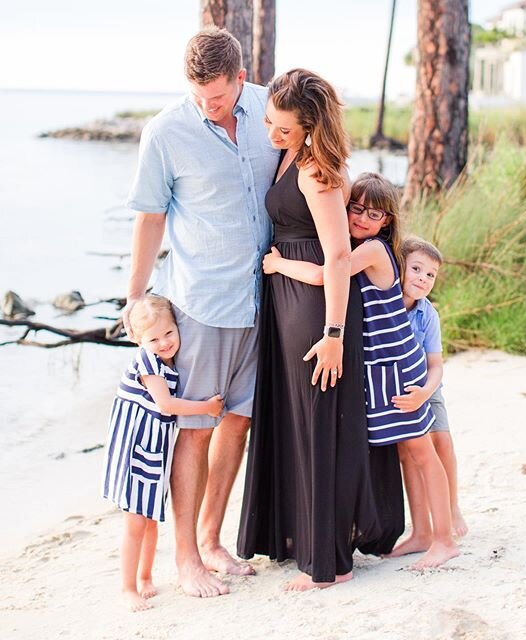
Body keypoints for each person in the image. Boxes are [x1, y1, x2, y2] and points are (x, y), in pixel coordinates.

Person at [123, 27, 280, 597]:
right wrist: (136, 295)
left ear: (241, 77)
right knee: (194, 429)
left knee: (237, 420)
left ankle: (212, 539)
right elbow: (149, 216)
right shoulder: (165, 131)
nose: (208, 106)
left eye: (217, 95)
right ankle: (185, 558)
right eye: (198, 95)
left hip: (264, 303)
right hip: (202, 305)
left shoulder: (271, 107)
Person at [261, 172, 459, 569]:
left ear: (387, 221)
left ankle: (445, 539)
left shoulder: (373, 250)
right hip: (379, 365)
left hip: (397, 365)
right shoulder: (365, 246)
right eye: (356, 208)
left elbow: (324, 274)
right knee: (408, 452)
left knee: (420, 452)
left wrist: (278, 264)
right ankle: (421, 533)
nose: (363, 218)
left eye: (375, 213)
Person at [237, 70, 386, 592]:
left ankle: (331, 564)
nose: (271, 133)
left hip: (317, 313)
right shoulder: (290, 153)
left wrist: (335, 333)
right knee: (296, 423)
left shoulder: (318, 171)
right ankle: (302, 536)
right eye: (270, 123)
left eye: (282, 128)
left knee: (319, 426)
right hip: (288, 305)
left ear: (309, 126)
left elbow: (340, 256)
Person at [102, 295, 224, 611]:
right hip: (134, 449)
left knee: (151, 521)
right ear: (139, 340)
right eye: (154, 338)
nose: (164, 342)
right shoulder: (146, 361)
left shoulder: (167, 362)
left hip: (154, 451)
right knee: (135, 522)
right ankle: (127, 587)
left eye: (168, 333)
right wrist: (206, 408)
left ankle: (144, 578)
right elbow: (166, 405)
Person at [388, 236, 468, 565]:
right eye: (417, 269)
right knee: (409, 455)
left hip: (427, 386)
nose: (423, 278)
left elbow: (436, 365)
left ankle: (450, 511)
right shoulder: (385, 305)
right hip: (398, 389)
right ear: (399, 267)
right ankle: (421, 531)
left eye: (431, 275)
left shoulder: (427, 315)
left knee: (442, 443)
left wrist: (425, 391)